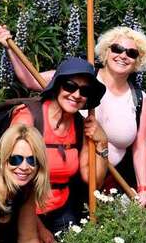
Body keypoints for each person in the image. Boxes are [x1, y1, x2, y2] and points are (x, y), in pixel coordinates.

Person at [0, 25, 146, 207]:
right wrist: (9, 47)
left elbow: (140, 146)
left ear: (138, 60)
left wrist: (143, 188)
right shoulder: (82, 76)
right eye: (117, 49)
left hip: (107, 180)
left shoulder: (139, 99)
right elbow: (31, 79)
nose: (123, 55)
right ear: (106, 51)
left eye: (132, 53)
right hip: (69, 175)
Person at [8, 57, 109, 233]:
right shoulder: (28, 118)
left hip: (61, 209)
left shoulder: (81, 126)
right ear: (57, 86)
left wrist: (102, 142)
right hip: (23, 208)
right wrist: (38, 228)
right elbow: (11, 177)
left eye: (84, 91)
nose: (76, 95)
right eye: (70, 86)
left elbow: (94, 181)